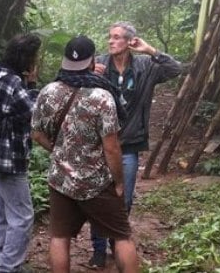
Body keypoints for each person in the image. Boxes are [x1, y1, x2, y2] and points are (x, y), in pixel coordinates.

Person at [31, 36, 139, 273]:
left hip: (60, 179)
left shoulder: (48, 91)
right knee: (122, 236)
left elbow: (37, 134)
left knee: (60, 237)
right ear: (92, 61)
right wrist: (119, 181)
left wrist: (59, 150)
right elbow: (111, 147)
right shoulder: (101, 97)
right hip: (96, 181)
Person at [87, 21, 184, 269]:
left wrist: (150, 50)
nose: (110, 41)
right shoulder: (99, 64)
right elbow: (74, 87)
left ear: (130, 41)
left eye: (117, 37)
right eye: (109, 37)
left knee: (124, 199)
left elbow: (176, 69)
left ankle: (114, 240)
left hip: (129, 144)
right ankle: (98, 248)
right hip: (99, 142)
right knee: (99, 196)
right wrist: (88, 74)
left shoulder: (144, 66)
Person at [0, 33, 42, 273]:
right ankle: (7, 268)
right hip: (10, 157)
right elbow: (35, 112)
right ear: (25, 57)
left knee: (3, 213)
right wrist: (32, 84)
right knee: (22, 218)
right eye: (34, 56)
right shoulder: (12, 82)